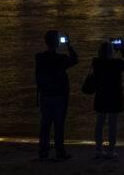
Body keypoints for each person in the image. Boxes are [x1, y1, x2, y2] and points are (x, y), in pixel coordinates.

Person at [35, 30, 78, 160]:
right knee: (59, 125)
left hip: (46, 95)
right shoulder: (61, 59)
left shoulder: (39, 57)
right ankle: (60, 151)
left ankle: (44, 151)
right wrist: (69, 46)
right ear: (57, 43)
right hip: (59, 95)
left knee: (45, 125)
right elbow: (75, 60)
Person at [91, 41, 124, 158]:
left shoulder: (96, 63)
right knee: (112, 125)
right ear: (112, 51)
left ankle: (99, 149)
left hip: (101, 96)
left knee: (99, 123)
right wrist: (123, 49)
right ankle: (111, 149)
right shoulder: (117, 63)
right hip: (114, 97)